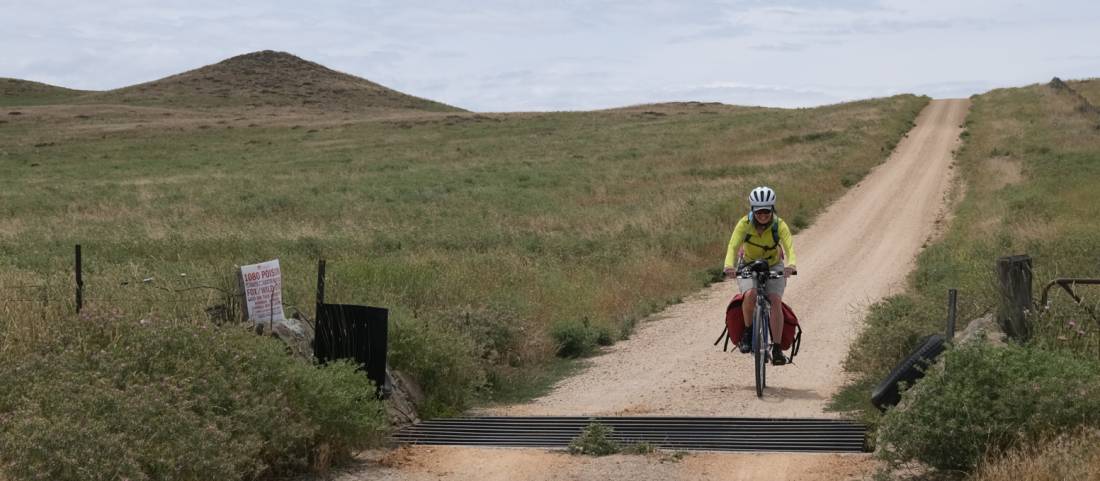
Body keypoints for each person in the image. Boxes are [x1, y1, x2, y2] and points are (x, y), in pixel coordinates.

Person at [722, 186, 797, 365]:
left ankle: (777, 348)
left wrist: (791, 265)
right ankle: (748, 333)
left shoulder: (779, 225)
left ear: (772, 209)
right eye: (759, 211)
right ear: (752, 210)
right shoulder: (744, 224)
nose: (762, 215)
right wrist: (728, 265)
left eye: (766, 211)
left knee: (775, 300)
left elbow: (789, 247)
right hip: (748, 264)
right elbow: (733, 246)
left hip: (773, 264)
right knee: (750, 294)